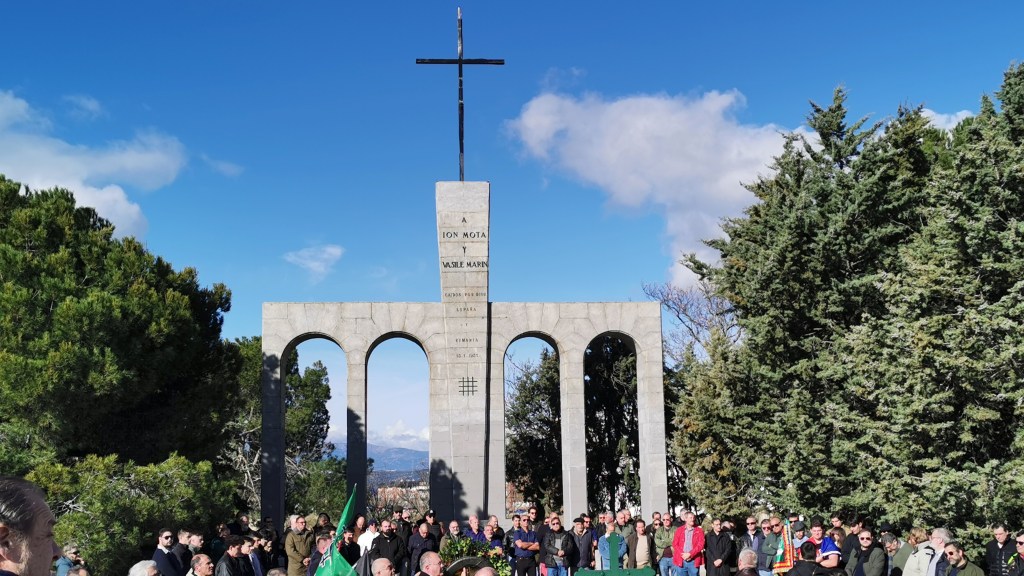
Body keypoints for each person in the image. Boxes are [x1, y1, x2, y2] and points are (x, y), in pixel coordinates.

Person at [673, 512, 705, 576]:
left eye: (693, 517)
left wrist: (690, 554)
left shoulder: (699, 530)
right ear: (685, 519)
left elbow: (701, 544)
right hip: (681, 560)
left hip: (693, 561)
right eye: (690, 518)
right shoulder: (679, 530)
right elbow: (675, 544)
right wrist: (683, 555)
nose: (693, 519)